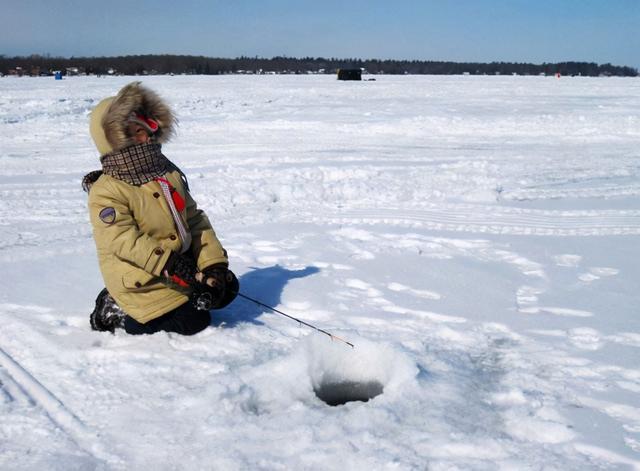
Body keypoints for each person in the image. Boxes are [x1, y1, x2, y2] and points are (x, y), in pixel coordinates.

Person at [83, 82, 238, 335]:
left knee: (225, 290)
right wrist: (170, 263)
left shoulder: (166, 173)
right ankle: (115, 308)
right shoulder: (107, 191)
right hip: (142, 280)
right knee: (193, 322)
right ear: (113, 138)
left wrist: (213, 264)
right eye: (134, 131)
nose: (144, 135)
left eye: (147, 127)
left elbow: (195, 220)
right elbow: (123, 240)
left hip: (179, 270)